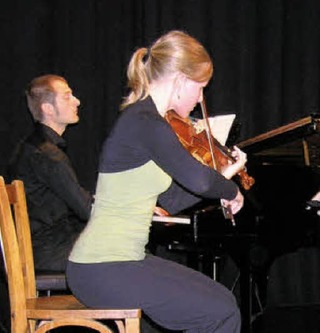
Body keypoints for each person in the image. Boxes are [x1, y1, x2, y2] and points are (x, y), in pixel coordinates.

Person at [66, 30, 246, 333]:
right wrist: (232, 190)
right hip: (102, 267)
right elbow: (200, 182)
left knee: (222, 301)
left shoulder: (149, 122)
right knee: (220, 313)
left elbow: (175, 199)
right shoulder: (144, 122)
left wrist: (226, 173)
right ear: (179, 79)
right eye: (200, 87)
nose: (201, 97)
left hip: (122, 261)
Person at [8, 74, 92, 272]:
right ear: (48, 109)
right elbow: (86, 209)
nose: (77, 101)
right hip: (47, 252)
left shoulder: (31, 147)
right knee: (127, 250)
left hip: (38, 249)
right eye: (67, 96)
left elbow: (78, 199)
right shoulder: (48, 155)